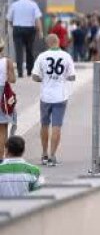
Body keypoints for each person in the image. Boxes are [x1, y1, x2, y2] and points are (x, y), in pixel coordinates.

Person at [31, 33, 75, 166]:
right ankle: (52, 155)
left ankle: (44, 154)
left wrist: (43, 79)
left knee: (44, 125)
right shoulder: (66, 56)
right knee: (57, 126)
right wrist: (62, 78)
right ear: (58, 42)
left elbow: (34, 76)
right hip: (60, 96)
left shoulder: (42, 56)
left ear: (47, 43)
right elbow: (72, 76)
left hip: (46, 96)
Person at [7, 0, 42, 77]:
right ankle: (30, 71)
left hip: (17, 28)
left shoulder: (14, 5)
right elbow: (37, 19)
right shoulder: (33, 4)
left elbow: (9, 19)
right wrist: (40, 31)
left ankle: (20, 72)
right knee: (30, 50)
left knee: (19, 51)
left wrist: (13, 26)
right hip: (30, 29)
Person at [0, 39, 15, 143]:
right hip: (2, 95)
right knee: (2, 129)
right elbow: (12, 80)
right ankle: (1, 158)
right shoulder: (7, 62)